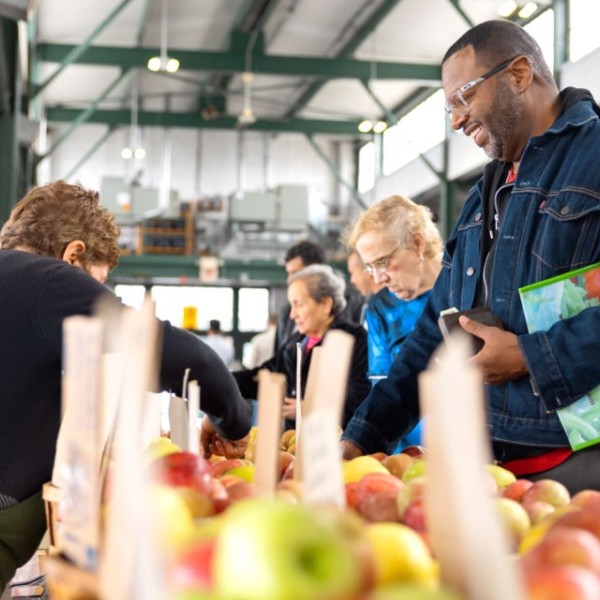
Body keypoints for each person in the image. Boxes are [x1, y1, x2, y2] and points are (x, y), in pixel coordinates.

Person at [341, 19, 600, 495]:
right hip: (487, 466)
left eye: (464, 97)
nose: (457, 120)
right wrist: (361, 437)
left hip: (579, 464)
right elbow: (431, 333)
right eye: (449, 108)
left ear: (519, 74)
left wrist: (531, 356)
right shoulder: (483, 198)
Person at [0, 181, 252, 591]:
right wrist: (234, 423)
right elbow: (189, 359)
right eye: (98, 282)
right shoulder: (48, 280)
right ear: (74, 255)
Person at [234, 264, 370, 431]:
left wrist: (312, 410)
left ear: (326, 304)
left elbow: (360, 399)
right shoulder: (296, 341)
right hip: (294, 444)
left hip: (337, 446)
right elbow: (262, 377)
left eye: (298, 304)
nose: (292, 315)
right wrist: (217, 379)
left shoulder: (354, 339)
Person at [344, 196, 443, 380]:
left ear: (417, 243)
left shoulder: (466, 286)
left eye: (383, 261)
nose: (378, 278)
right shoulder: (381, 308)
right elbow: (381, 383)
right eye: (370, 267)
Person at [274, 240, 364, 351]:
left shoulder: (354, 304)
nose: (289, 280)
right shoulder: (286, 313)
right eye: (289, 273)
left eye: (295, 273)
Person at [346, 250, 385, 325]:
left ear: (367, 270)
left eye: (352, 273)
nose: (352, 281)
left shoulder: (392, 304)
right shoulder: (367, 304)